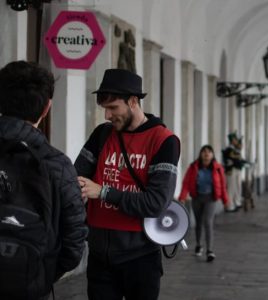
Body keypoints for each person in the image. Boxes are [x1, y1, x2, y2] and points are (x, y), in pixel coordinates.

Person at [74, 68, 180, 300]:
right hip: (100, 258)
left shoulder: (164, 141)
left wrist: (103, 192)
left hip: (141, 259)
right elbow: (76, 180)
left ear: (133, 101)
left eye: (113, 108)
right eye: (105, 109)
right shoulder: (102, 134)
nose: (107, 116)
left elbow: (155, 204)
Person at [0, 61, 88, 299]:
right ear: (47, 107)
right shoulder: (57, 164)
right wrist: (40, 275)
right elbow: (74, 243)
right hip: (32, 286)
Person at [178, 145, 228, 262]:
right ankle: (198, 244)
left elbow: (223, 185)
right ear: (200, 154)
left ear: (212, 155)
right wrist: (182, 197)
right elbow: (186, 183)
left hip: (211, 198)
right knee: (198, 222)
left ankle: (210, 250)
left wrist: (225, 200)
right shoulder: (194, 167)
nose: (206, 154)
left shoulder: (217, 168)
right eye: (204, 152)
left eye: (209, 152)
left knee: (208, 222)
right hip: (197, 198)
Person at [222, 132, 247, 212]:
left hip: (235, 169)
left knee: (236, 187)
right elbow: (233, 159)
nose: (236, 141)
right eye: (235, 139)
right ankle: (229, 206)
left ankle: (235, 203)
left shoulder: (234, 149)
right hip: (231, 171)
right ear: (232, 140)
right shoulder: (229, 149)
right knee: (230, 189)